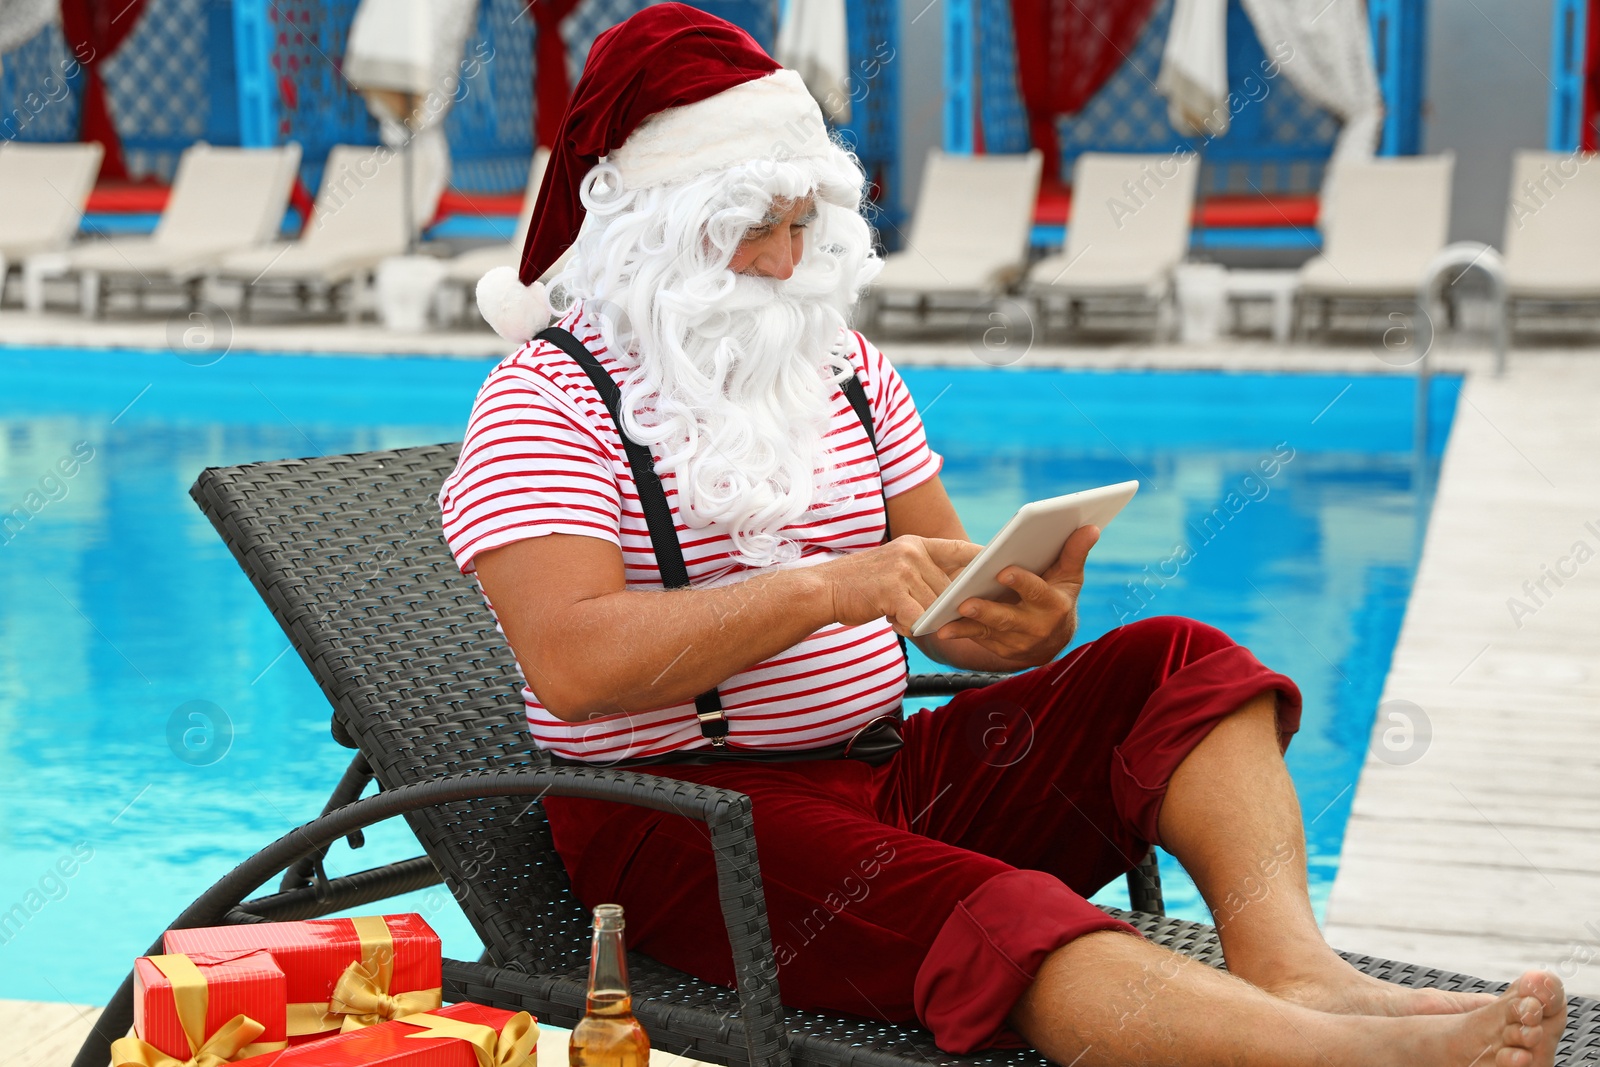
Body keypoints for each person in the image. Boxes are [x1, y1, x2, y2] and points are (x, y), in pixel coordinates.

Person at [440, 7, 1566, 1065]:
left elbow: (947, 601)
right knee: (1000, 914)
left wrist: (1029, 618)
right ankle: (1342, 1054)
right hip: (683, 822)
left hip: (885, 771)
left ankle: (1298, 972)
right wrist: (832, 588)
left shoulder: (840, 366)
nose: (788, 263)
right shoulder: (547, 403)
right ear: (652, 231)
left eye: (800, 225)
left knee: (1177, 663)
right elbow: (575, 664)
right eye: (750, 231)